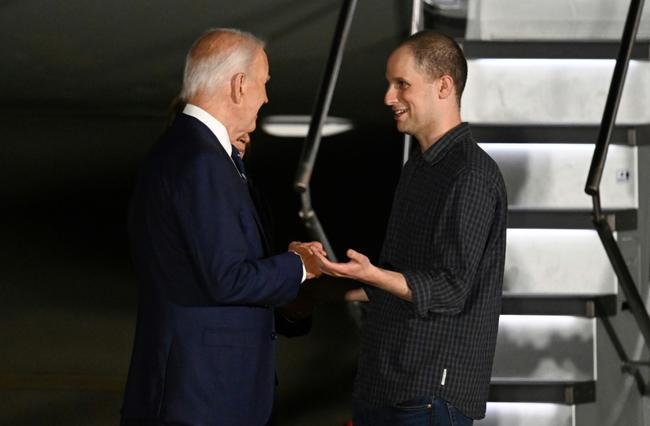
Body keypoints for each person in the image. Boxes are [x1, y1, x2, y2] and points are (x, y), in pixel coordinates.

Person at [121, 28, 324, 426]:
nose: (265, 97)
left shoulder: (193, 153)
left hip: (196, 392)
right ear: (240, 84)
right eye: (263, 84)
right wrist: (298, 265)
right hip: (202, 398)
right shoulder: (201, 162)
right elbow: (226, 277)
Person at [317, 30, 507, 425]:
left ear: (444, 86)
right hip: (388, 386)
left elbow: (451, 288)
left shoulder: (470, 173)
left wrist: (374, 276)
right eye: (390, 84)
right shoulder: (420, 167)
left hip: (426, 396)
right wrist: (350, 284)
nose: (389, 97)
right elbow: (410, 277)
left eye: (402, 84)